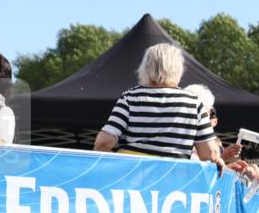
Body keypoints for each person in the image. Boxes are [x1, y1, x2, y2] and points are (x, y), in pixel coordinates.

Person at [94, 43, 223, 168]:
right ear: (178, 70)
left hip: (132, 181)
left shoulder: (130, 97)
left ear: (145, 68)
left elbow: (103, 143)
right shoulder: (194, 103)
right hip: (175, 182)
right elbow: (209, 154)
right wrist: (218, 158)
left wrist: (120, 167)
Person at [183, 83, 259, 183]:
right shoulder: (188, 142)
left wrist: (225, 162)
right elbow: (198, 178)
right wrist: (227, 169)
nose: (207, 118)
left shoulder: (184, 138)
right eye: (208, 113)